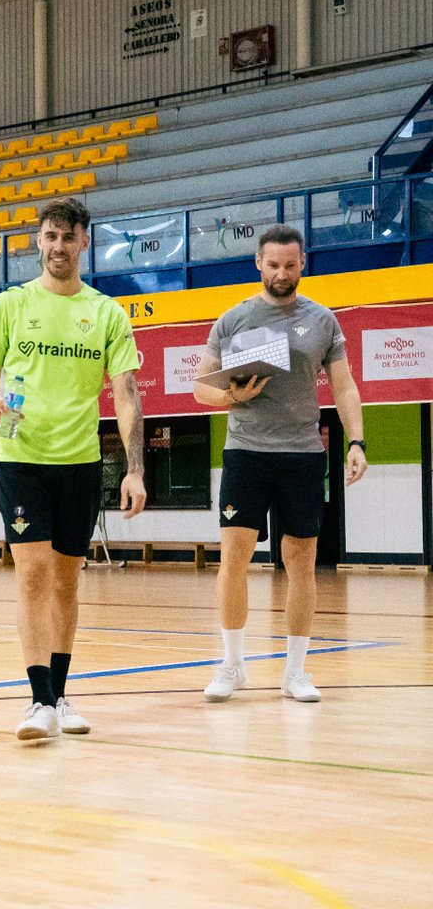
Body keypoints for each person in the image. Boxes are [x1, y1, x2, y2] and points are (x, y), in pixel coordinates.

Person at [0, 197, 146, 742]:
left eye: (68, 238)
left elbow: (127, 395)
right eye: (50, 236)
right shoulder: (10, 305)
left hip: (79, 463)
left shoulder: (108, 313)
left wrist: (134, 470)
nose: (58, 247)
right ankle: (38, 701)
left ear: (84, 243)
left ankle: (62, 694)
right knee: (31, 577)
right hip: (21, 458)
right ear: (38, 240)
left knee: (68, 584)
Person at [193, 224, 367, 704]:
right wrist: (232, 393)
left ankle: (296, 672)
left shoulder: (324, 321)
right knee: (234, 559)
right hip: (246, 452)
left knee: (301, 562)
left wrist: (358, 441)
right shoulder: (233, 320)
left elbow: (345, 386)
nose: (281, 273)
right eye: (273, 265)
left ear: (303, 263)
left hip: (302, 456)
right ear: (258, 264)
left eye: (290, 265)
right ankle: (232, 665)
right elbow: (200, 386)